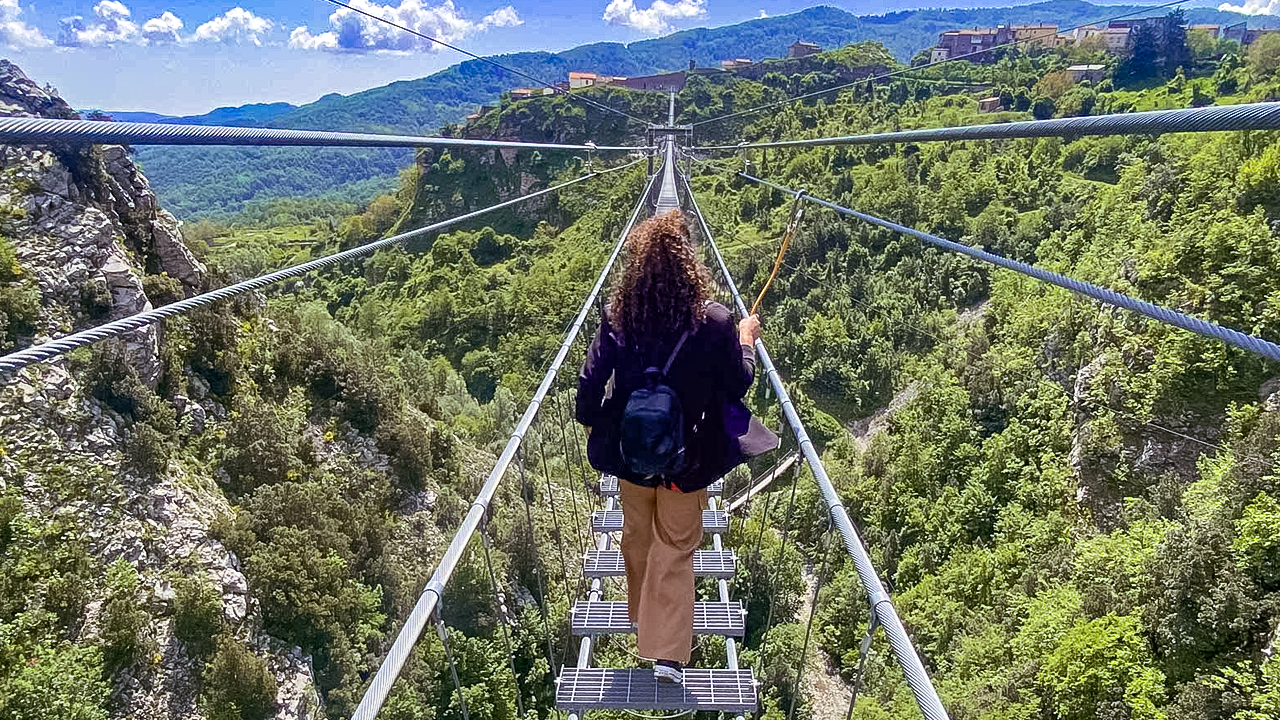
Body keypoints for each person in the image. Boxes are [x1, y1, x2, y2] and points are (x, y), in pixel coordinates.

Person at [576, 210, 761, 685]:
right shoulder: (715, 322)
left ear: (636, 265)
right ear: (690, 264)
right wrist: (746, 341)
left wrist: (612, 424)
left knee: (637, 535)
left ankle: (642, 614)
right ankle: (665, 654)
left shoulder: (618, 319)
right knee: (676, 545)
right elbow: (737, 384)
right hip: (687, 458)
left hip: (632, 460)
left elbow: (586, 393)